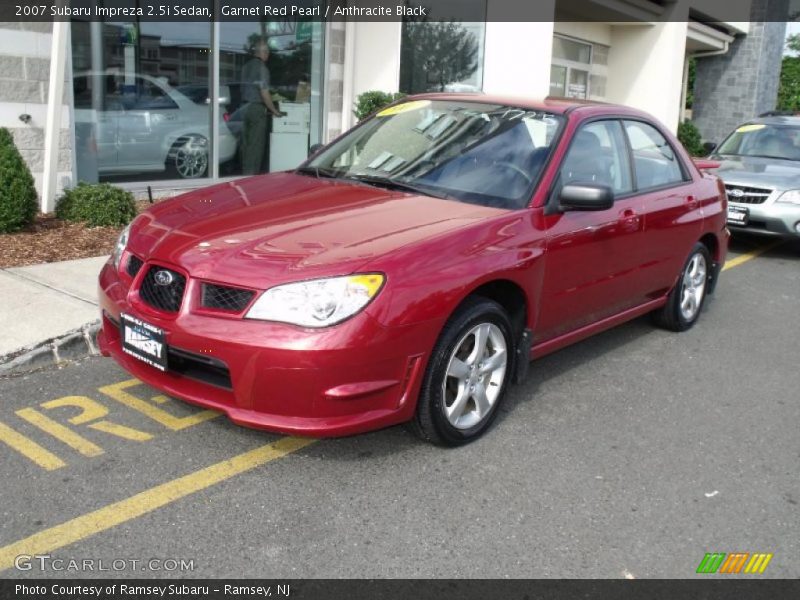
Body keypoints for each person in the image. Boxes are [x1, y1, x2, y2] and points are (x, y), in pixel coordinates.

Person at [241, 36, 284, 175]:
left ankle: (243, 175)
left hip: (243, 107)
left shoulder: (246, 67)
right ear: (262, 53)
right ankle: (251, 177)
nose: (268, 55)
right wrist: (274, 110)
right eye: (267, 52)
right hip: (256, 109)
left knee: (245, 145)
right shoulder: (262, 68)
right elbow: (264, 92)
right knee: (255, 145)